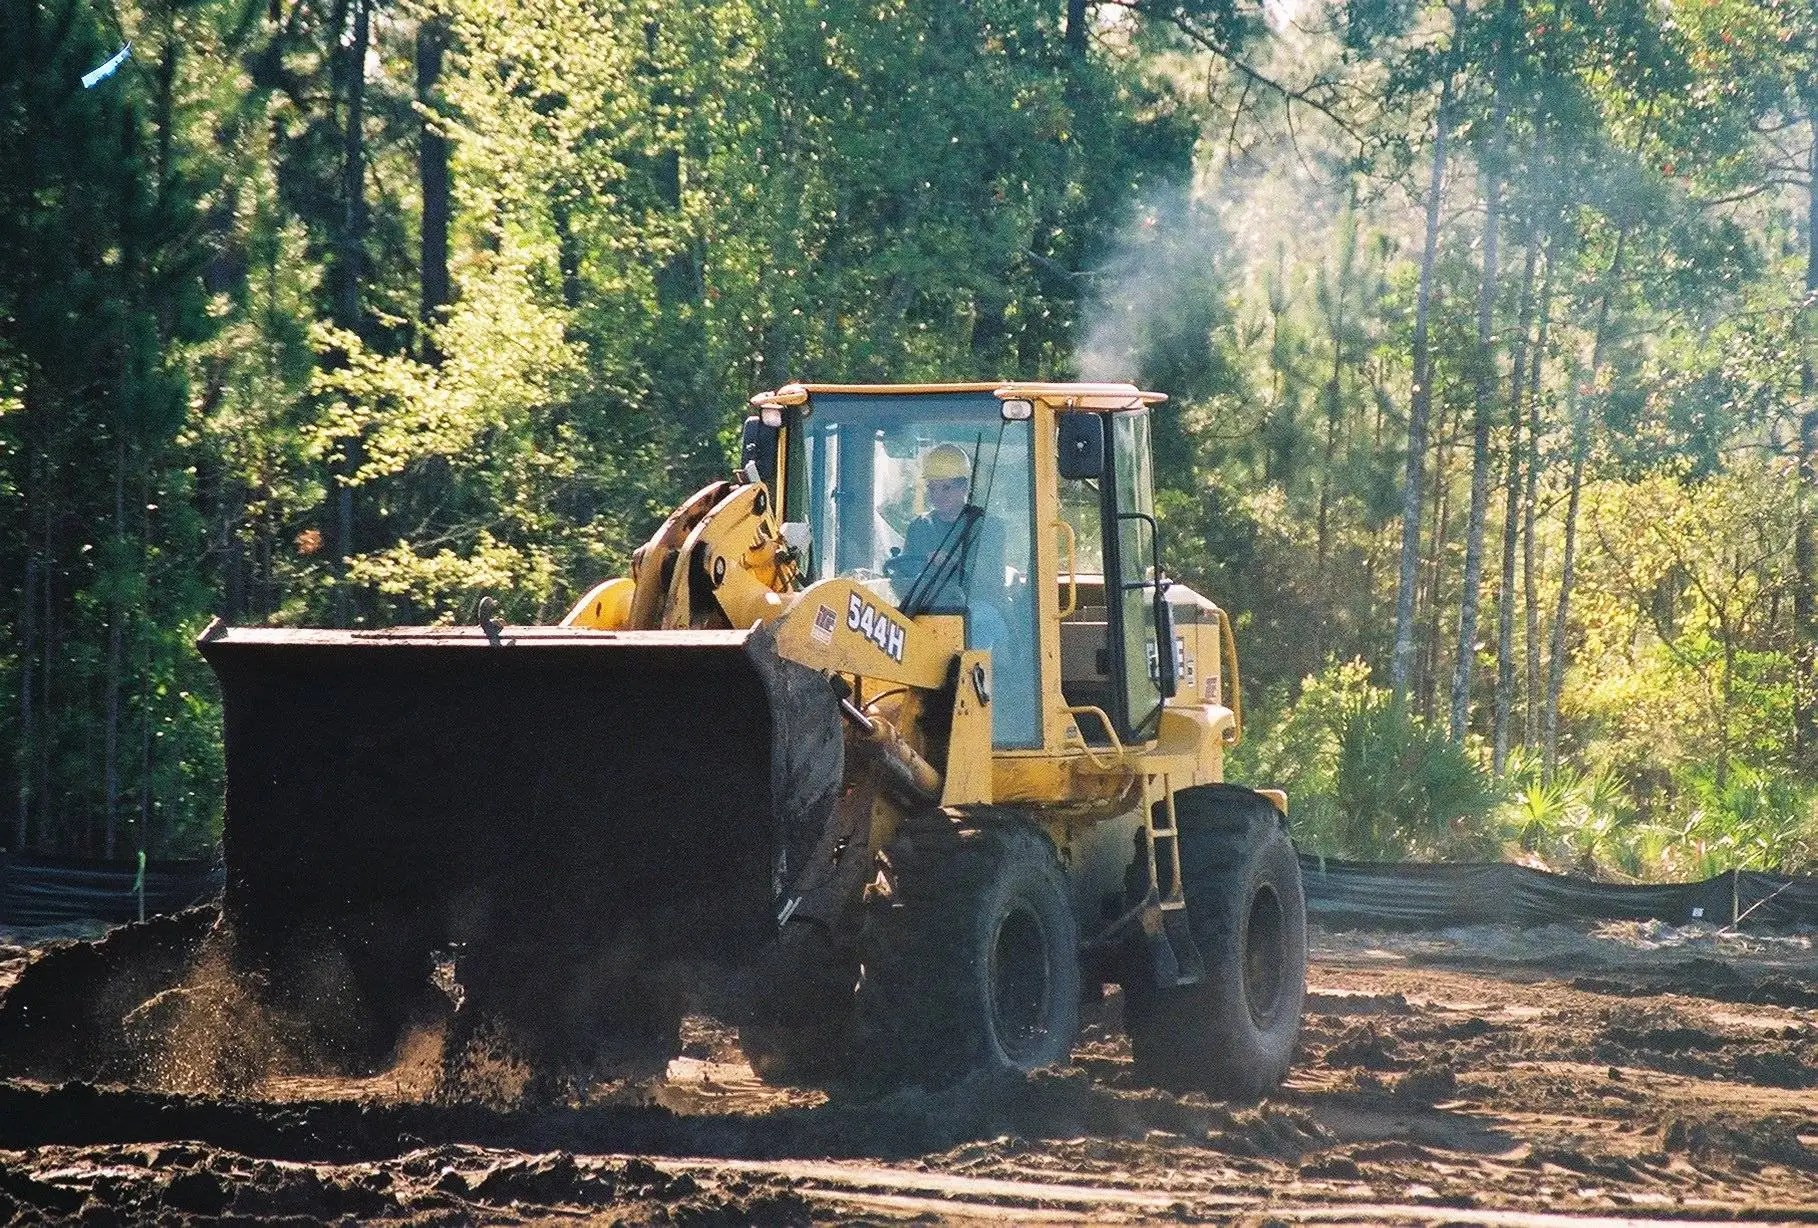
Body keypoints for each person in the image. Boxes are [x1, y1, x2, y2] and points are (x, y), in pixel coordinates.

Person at [893, 443, 1005, 615]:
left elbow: (992, 582)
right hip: (926, 607)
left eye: (946, 488)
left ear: (964, 487)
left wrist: (954, 563)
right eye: (932, 488)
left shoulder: (987, 526)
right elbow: (905, 573)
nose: (937, 495)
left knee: (981, 619)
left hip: (977, 608)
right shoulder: (919, 527)